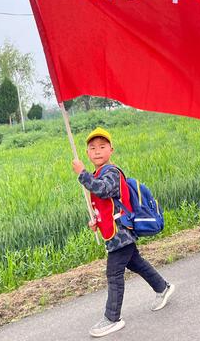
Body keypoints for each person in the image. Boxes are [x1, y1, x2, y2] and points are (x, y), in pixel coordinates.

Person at [72, 127, 175, 337]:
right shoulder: (98, 173)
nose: (97, 151)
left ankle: (112, 318)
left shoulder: (111, 172)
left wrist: (82, 174)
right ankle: (162, 287)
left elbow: (103, 189)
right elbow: (105, 205)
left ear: (111, 150)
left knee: (114, 273)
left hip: (122, 233)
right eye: (92, 148)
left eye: (102, 147)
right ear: (87, 153)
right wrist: (96, 222)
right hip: (113, 232)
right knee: (135, 262)